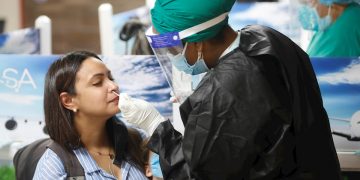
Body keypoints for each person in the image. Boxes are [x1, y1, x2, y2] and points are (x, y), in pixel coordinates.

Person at [118, 0, 342, 179]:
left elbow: (197, 174)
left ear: (198, 44)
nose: (174, 56)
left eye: (175, 49)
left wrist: (156, 127)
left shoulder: (223, 93)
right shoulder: (266, 36)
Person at [33, 51, 148, 179]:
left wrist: (157, 126)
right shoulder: (53, 166)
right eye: (98, 82)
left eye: (111, 78)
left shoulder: (139, 140)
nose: (114, 86)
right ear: (68, 101)